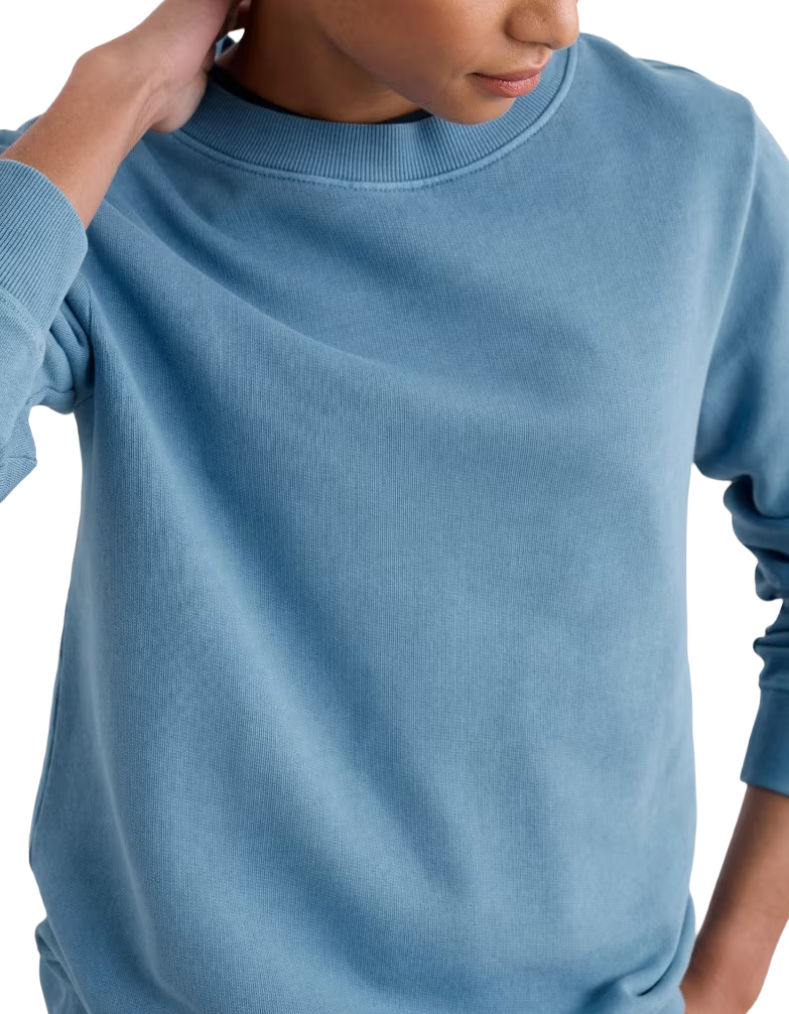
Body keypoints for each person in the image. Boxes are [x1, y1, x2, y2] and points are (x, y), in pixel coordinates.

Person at [1, 0, 788, 1011]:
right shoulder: (81, 193)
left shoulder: (691, 167)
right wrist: (109, 96)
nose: (553, 21)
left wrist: (723, 981)